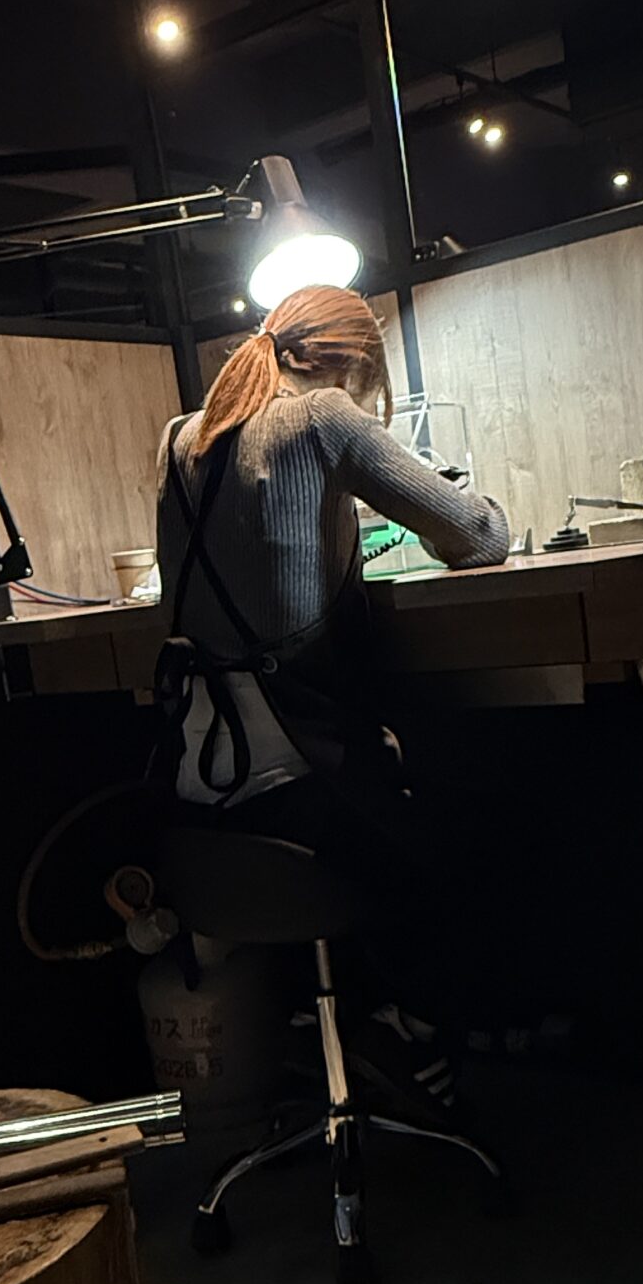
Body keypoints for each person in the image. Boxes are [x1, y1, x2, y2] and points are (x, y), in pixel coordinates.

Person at [154, 283, 510, 1092]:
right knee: (479, 815)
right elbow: (478, 538)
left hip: (197, 792)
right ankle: (407, 1030)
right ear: (354, 368)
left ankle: (341, 1023)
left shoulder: (179, 438)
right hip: (303, 788)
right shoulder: (324, 418)